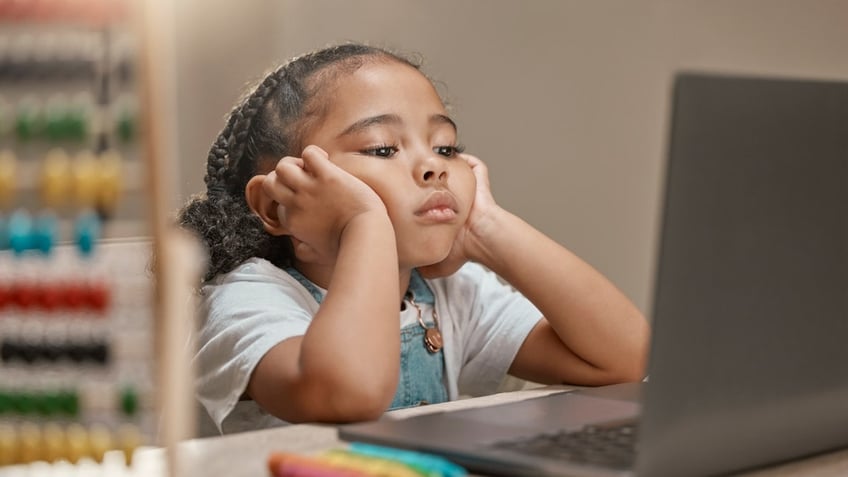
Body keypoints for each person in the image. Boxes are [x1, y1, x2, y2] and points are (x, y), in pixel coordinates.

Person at [178, 43, 650, 435]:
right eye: (383, 148)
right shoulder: (246, 300)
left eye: (446, 147)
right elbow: (345, 394)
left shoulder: (448, 295)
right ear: (278, 205)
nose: (435, 166)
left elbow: (625, 359)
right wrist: (365, 221)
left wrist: (487, 226)